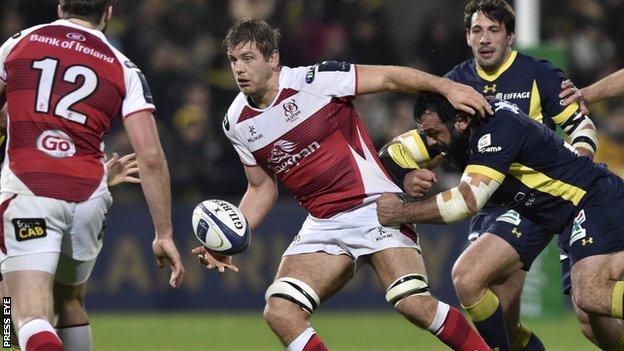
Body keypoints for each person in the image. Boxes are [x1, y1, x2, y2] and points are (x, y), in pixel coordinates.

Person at [192, 18, 493, 351]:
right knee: (280, 312)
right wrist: (229, 237)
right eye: (234, 60)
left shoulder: (316, 80)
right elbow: (262, 188)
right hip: (322, 223)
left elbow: (391, 77)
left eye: (248, 58)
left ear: (273, 59)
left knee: (413, 303)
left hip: (375, 207)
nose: (239, 68)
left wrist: (447, 87)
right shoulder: (236, 122)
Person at [399, 1, 608, 350]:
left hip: (530, 200)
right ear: (467, 37)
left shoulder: (539, 73)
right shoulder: (454, 84)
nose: (485, 39)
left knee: (469, 278)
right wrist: (411, 174)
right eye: (477, 30)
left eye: (494, 30)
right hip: (484, 200)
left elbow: (581, 125)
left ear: (510, 36)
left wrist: (581, 162)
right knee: (505, 324)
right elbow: (434, 141)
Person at [0, 1, 186, 350]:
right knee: (66, 301)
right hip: (87, 194)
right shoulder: (122, 65)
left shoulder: (19, 42)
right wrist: (164, 233)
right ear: (108, 13)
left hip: (27, 189)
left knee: (23, 312)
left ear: (60, 7)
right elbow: (150, 155)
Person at [376, 92, 624, 351]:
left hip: (594, 200)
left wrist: (401, 212)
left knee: (591, 293)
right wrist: (406, 176)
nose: (430, 142)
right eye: (425, 133)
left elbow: (464, 203)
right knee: (593, 325)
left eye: (433, 133)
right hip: (565, 218)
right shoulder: (454, 128)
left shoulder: (497, 129)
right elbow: (391, 151)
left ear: (460, 121)